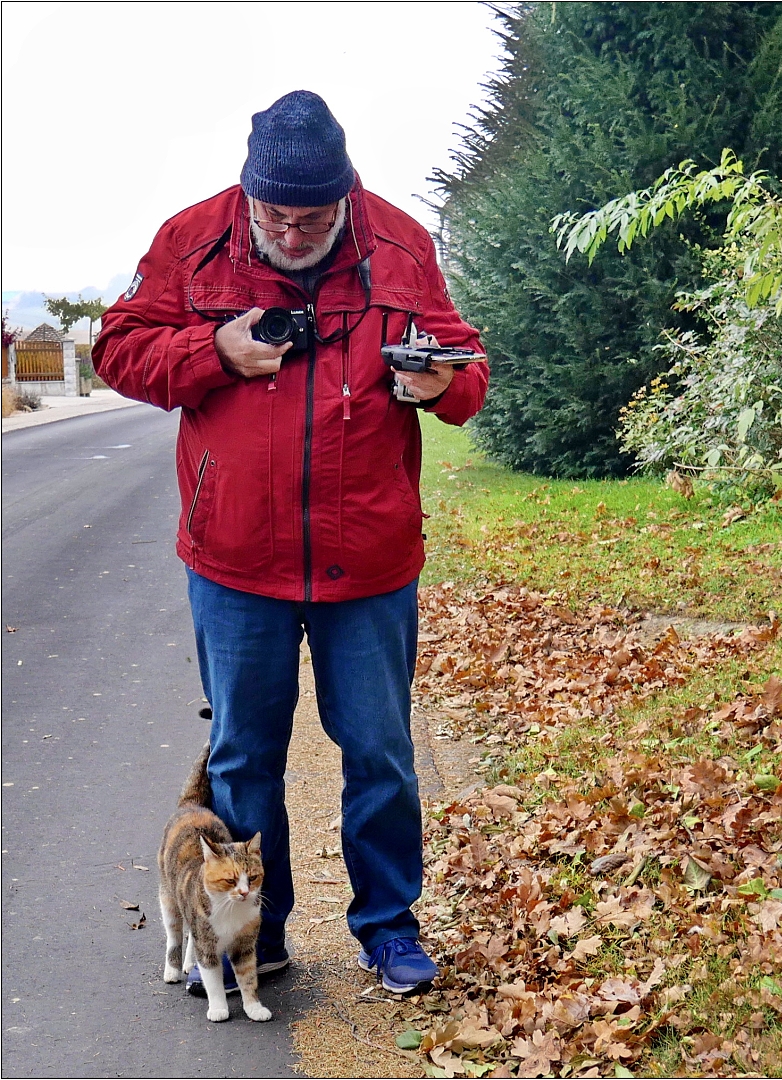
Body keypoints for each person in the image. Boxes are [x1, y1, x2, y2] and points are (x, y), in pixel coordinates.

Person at [93, 90, 488, 996]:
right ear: (249, 194)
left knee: (381, 753)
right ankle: (250, 940)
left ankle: (388, 928)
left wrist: (437, 387)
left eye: (313, 217)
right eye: (275, 215)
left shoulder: (398, 245)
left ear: (344, 196)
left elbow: (468, 372)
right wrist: (212, 353)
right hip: (236, 563)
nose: (293, 231)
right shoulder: (192, 240)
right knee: (242, 756)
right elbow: (121, 349)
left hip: (371, 561)